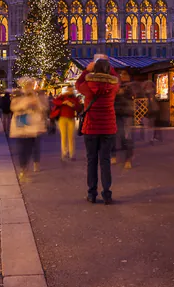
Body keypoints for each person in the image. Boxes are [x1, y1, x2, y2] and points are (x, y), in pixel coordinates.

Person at [76, 56, 120, 204]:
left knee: (92, 160)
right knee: (105, 161)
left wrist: (86, 70)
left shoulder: (88, 84)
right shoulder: (113, 86)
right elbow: (115, 77)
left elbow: (78, 84)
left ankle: (92, 194)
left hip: (91, 128)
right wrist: (108, 66)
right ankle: (107, 194)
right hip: (108, 128)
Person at [11, 77, 48, 180]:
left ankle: (30, 165)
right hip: (22, 126)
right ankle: (23, 169)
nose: (29, 86)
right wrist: (25, 105)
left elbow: (43, 108)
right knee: (22, 149)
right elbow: (13, 107)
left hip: (33, 126)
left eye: (30, 84)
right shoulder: (18, 94)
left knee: (31, 148)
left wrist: (37, 104)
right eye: (27, 84)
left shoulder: (36, 95)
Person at [51, 85, 82, 161]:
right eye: (69, 90)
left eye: (71, 90)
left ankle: (72, 154)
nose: (70, 91)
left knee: (71, 137)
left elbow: (79, 108)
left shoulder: (75, 98)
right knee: (64, 136)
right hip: (62, 118)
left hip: (71, 118)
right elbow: (55, 101)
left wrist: (73, 105)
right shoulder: (63, 96)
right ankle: (64, 153)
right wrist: (64, 102)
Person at [113, 81, 135, 169]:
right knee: (116, 136)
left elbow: (130, 106)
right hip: (117, 116)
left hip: (127, 117)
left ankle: (128, 159)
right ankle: (114, 155)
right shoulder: (115, 95)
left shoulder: (128, 94)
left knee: (127, 137)